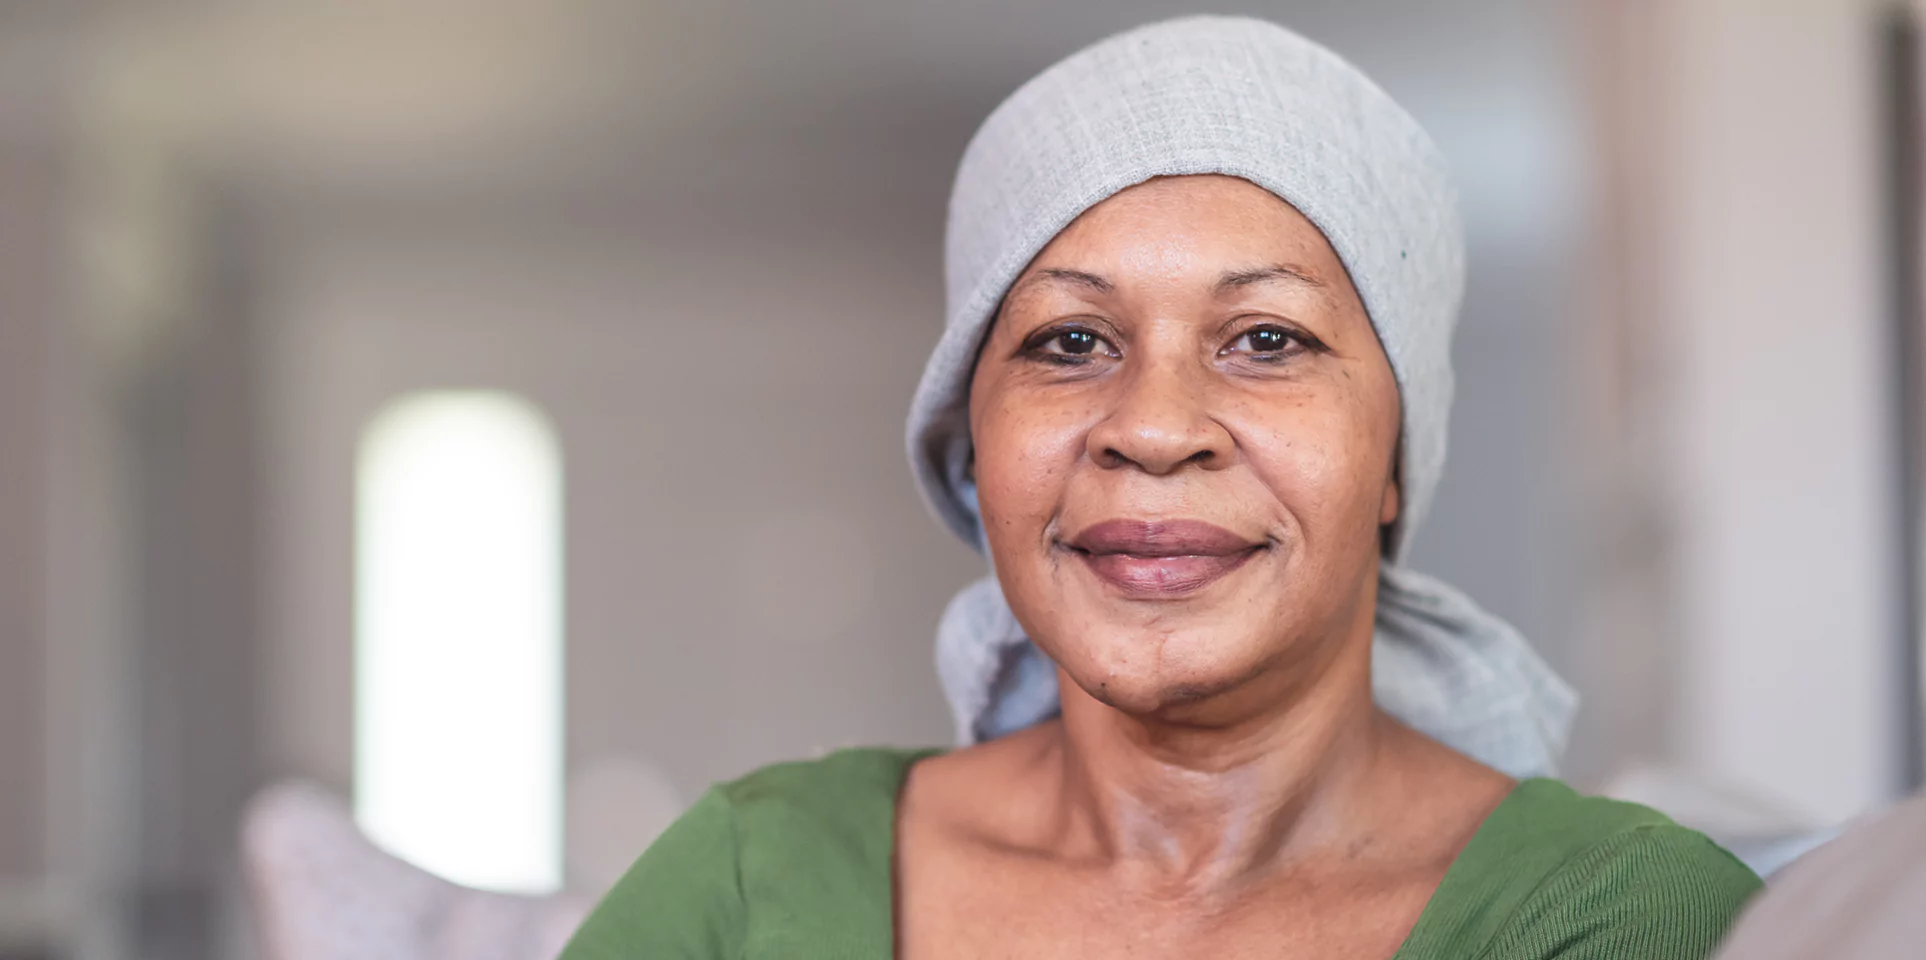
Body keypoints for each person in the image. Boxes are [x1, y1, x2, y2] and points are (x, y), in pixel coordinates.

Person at [562, 16, 1760, 959]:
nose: (1152, 427)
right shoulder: (755, 875)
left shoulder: (1622, 916)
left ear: (1395, 458)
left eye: (1269, 339)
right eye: (1070, 342)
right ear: (972, 450)